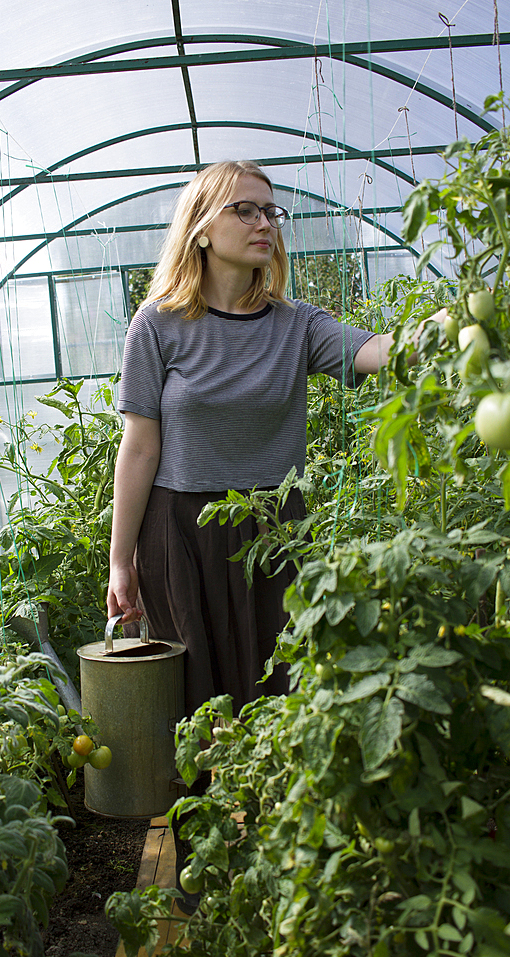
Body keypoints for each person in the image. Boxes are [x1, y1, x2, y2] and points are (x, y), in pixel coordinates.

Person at [106, 159, 443, 911]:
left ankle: (284, 865)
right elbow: (140, 446)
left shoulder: (296, 326)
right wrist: (119, 560)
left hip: (275, 536)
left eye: (271, 213)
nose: (265, 224)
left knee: (277, 688)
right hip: (180, 533)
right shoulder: (158, 324)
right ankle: (203, 876)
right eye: (245, 212)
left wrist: (446, 332)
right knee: (196, 700)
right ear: (201, 228)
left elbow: (373, 352)